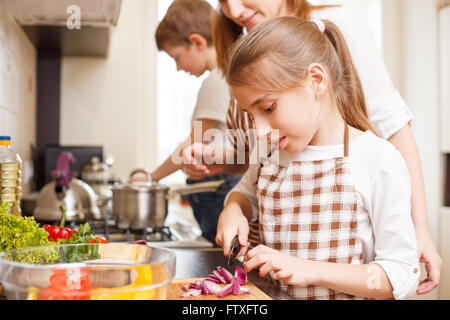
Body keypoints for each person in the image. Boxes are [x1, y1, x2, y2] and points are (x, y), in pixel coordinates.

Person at [183, 0, 440, 295]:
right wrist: (232, 209)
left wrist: (307, 269)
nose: (258, 131)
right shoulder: (270, 153)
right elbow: (244, 192)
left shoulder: (377, 160)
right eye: (251, 115)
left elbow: (400, 274)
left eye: (268, 107)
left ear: (316, 79)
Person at [152, 0, 241, 243]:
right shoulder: (226, 76)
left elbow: (194, 143)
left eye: (177, 57)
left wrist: (152, 178)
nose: (179, 68)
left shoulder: (217, 80)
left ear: (197, 42)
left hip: (220, 186)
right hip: (220, 183)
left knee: (220, 258)